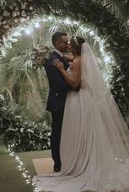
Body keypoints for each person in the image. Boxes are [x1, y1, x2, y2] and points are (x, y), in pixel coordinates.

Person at [33, 36, 129, 192]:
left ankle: (79, 163)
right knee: (79, 132)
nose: (66, 45)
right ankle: (80, 161)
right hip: (76, 100)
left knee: (78, 131)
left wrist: (62, 69)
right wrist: (67, 64)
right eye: (64, 42)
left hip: (77, 99)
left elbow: (75, 82)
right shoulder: (75, 59)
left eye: (68, 43)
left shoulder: (75, 61)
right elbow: (72, 70)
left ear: (74, 48)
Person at [44, 32, 78, 173]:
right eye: (64, 42)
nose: (67, 44)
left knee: (66, 133)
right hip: (58, 102)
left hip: (66, 102)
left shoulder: (61, 58)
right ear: (57, 43)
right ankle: (58, 163)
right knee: (57, 133)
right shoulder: (52, 60)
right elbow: (58, 84)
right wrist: (76, 86)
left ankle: (67, 160)